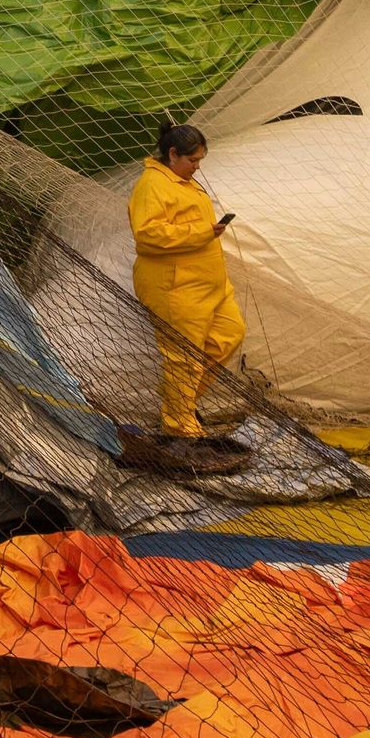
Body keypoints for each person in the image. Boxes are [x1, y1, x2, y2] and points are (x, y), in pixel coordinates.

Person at [119, 120, 251, 475]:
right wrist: (202, 232)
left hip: (210, 286)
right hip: (175, 287)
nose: (198, 167)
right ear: (172, 154)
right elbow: (147, 235)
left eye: (200, 160)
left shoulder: (185, 182)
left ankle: (182, 407)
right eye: (192, 160)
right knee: (183, 358)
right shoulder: (152, 184)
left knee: (229, 335)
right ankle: (180, 432)